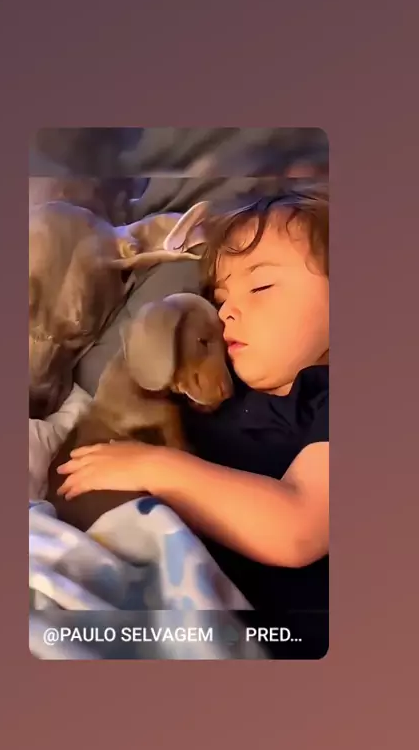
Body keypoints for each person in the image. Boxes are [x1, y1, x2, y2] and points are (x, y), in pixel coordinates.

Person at [56, 187, 329, 647]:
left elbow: (298, 527)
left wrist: (153, 468)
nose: (227, 313)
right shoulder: (219, 387)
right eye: (220, 298)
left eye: (260, 287)